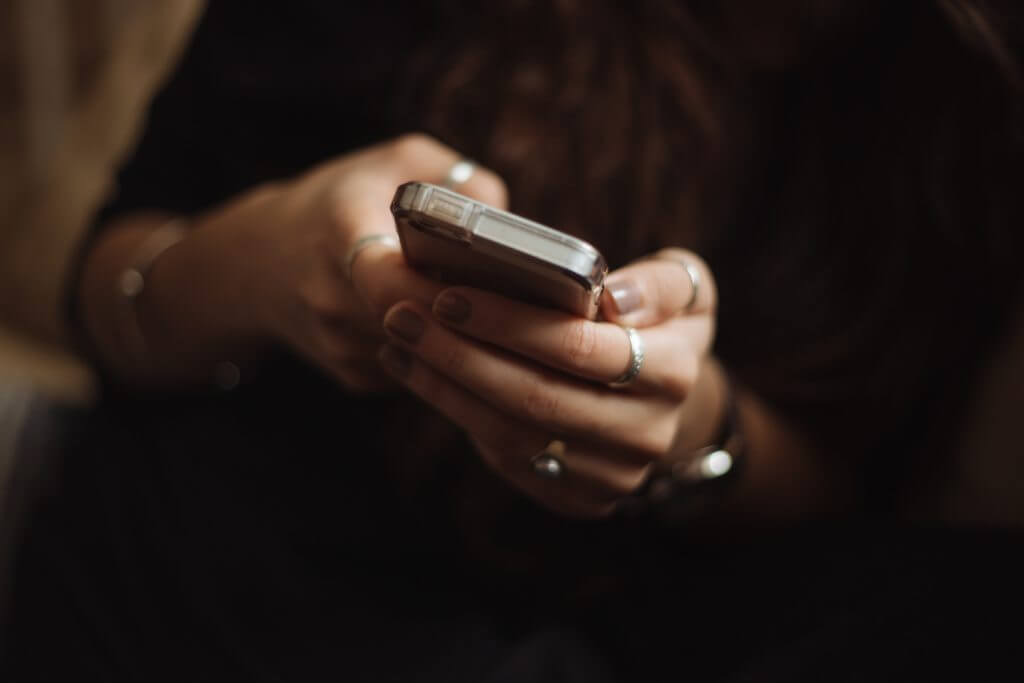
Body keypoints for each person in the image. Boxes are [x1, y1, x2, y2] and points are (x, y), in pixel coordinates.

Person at [5, 1, 1023, 680]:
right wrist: (270, 257)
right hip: (178, 570)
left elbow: (867, 512)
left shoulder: (969, 89)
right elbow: (104, 302)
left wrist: (695, 428)